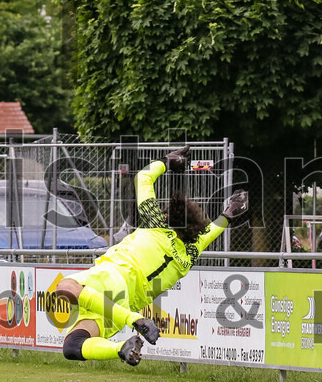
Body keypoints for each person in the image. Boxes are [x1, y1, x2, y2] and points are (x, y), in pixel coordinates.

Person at [56, 146, 249, 365]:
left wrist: (167, 160)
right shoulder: (188, 256)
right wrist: (229, 213)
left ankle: (136, 321)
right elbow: (210, 233)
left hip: (112, 279)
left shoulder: (157, 226)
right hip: (121, 304)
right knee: (73, 345)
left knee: (66, 287)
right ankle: (122, 348)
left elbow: (142, 177)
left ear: (168, 216)